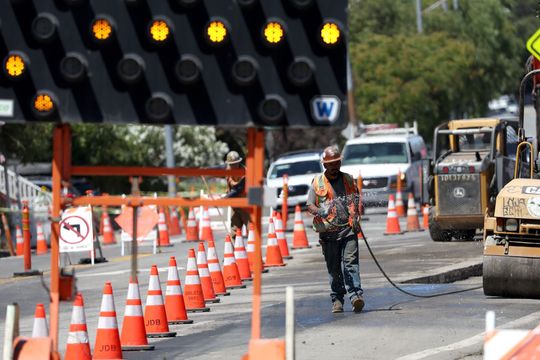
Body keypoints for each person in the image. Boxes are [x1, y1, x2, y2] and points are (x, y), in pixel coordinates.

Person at [306, 145, 364, 313]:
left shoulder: (348, 179)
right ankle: (337, 300)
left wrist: (355, 215)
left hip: (348, 230)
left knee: (351, 264)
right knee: (334, 268)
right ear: (324, 165)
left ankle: (356, 296)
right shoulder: (317, 183)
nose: (334, 167)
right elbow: (309, 204)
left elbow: (357, 198)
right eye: (330, 164)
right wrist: (319, 211)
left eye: (337, 163)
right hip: (329, 233)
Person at [224, 151, 250, 237]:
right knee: (234, 231)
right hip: (235, 205)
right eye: (231, 164)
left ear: (239, 162)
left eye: (235, 164)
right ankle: (235, 249)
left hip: (245, 205)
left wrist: (224, 198)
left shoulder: (244, 173)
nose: (233, 166)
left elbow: (237, 190)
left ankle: (253, 249)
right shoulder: (228, 170)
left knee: (251, 229)